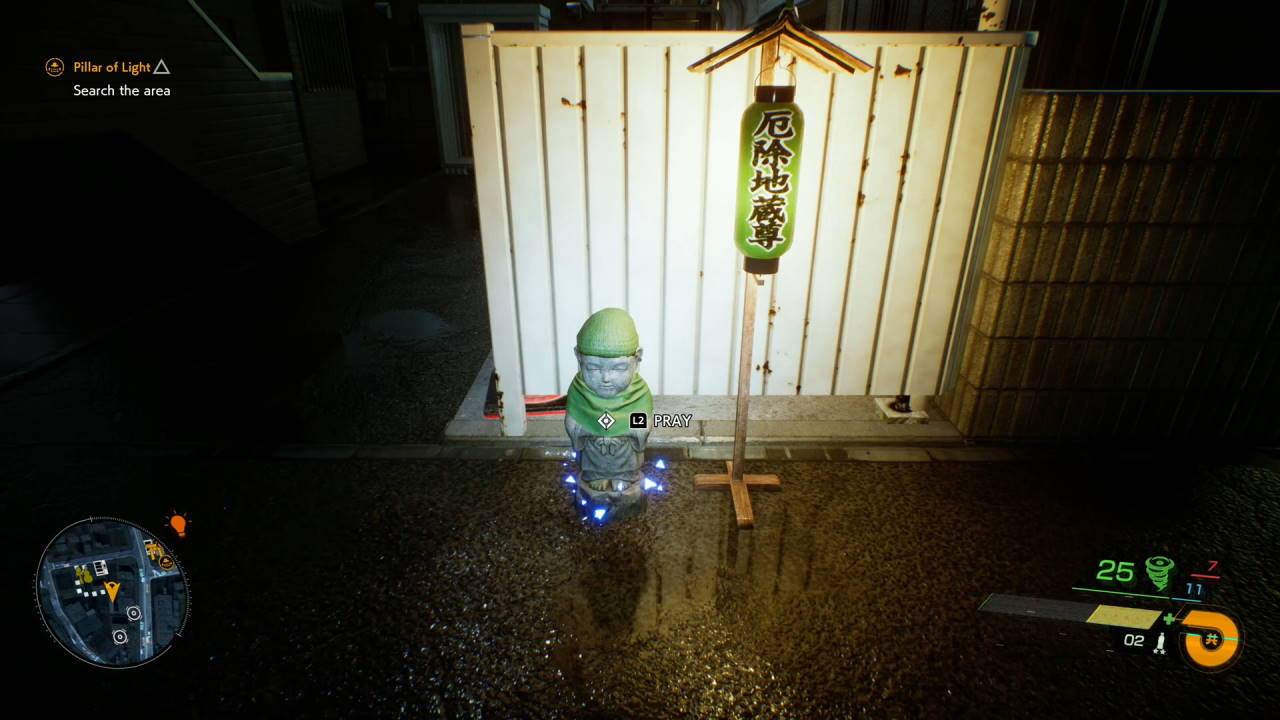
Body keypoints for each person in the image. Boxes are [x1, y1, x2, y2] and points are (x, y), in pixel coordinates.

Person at [565, 308, 652, 516]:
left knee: (627, 467)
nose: (606, 378)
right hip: (594, 459)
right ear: (579, 358)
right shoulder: (579, 393)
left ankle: (625, 480)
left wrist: (630, 430)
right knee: (592, 472)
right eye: (594, 368)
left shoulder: (638, 396)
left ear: (637, 359)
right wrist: (583, 429)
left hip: (624, 459)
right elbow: (574, 424)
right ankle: (593, 482)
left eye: (619, 368)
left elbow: (641, 431)